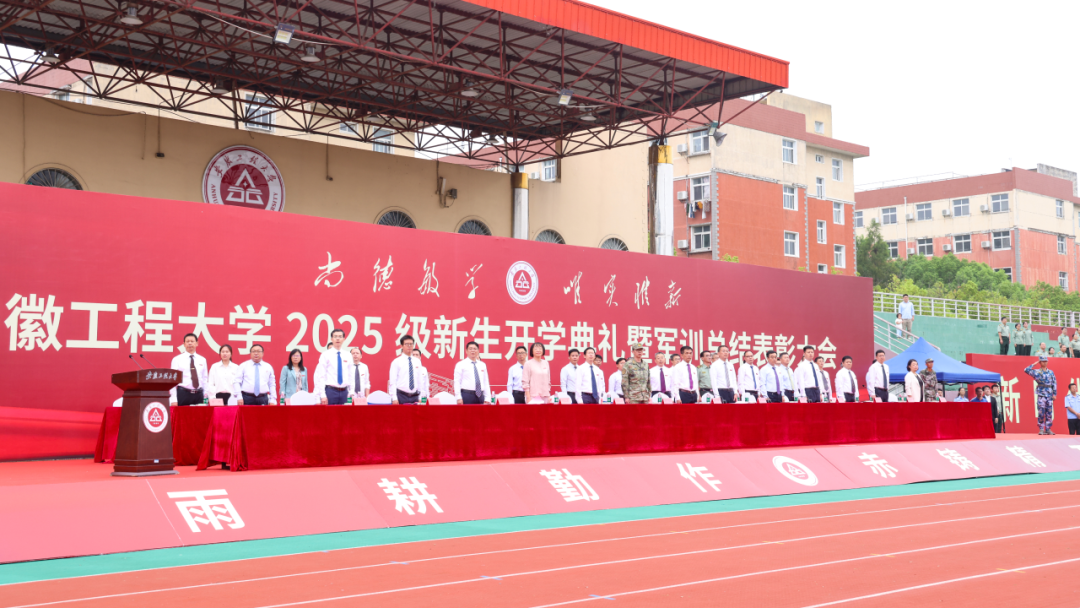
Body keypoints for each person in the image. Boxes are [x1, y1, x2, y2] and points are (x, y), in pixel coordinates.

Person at [169, 333, 209, 406]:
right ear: (184, 344)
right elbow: (173, 381)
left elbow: (205, 379)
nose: (190, 343)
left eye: (192, 341)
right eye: (187, 341)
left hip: (199, 395)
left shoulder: (202, 359)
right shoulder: (177, 359)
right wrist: (173, 399)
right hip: (183, 394)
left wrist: (205, 396)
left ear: (197, 343)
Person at [315, 328, 352, 405]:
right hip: (330, 391)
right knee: (329, 413)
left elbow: (351, 375)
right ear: (331, 339)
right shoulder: (325, 355)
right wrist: (322, 395)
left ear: (344, 339)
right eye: (335, 336)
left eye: (340, 336)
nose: (338, 338)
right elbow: (321, 376)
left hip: (345, 392)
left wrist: (351, 392)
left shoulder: (348, 355)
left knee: (345, 413)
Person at [1025, 355, 1058, 435]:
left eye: (1046, 361)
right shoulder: (1036, 372)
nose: (1045, 363)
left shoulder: (1051, 372)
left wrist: (1054, 394)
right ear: (1040, 362)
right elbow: (1026, 370)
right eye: (1043, 361)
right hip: (1041, 394)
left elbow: (1054, 383)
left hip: (1049, 395)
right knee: (1041, 412)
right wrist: (1034, 364)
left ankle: (1048, 429)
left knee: (1049, 413)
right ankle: (1041, 429)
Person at [388, 335, 423, 405]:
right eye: (406, 344)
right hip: (401, 395)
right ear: (401, 346)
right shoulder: (396, 362)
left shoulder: (417, 361)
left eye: (411, 344)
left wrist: (421, 397)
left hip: (415, 396)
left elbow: (420, 380)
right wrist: (394, 398)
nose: (409, 346)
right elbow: (392, 381)